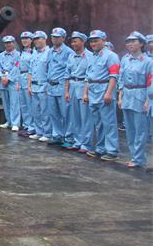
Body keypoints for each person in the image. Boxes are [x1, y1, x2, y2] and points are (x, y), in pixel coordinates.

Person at [83, 30, 120, 161]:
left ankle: (112, 150)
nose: (93, 43)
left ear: (103, 41)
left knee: (109, 123)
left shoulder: (111, 56)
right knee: (98, 123)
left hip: (104, 90)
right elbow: (89, 77)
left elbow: (114, 76)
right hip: (93, 90)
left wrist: (109, 93)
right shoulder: (92, 56)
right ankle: (100, 148)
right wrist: (85, 92)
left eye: (96, 41)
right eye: (91, 41)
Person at [117, 32, 152, 168]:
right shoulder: (125, 60)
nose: (130, 44)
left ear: (141, 44)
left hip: (140, 95)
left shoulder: (148, 61)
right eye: (128, 41)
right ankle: (134, 156)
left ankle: (139, 159)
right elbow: (121, 78)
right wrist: (120, 96)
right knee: (130, 129)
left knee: (140, 130)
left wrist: (148, 100)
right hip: (127, 95)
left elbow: (150, 82)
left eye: (133, 41)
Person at [63, 31, 93, 152]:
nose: (73, 44)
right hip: (73, 86)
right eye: (72, 41)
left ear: (83, 42)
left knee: (85, 117)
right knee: (74, 116)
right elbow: (67, 75)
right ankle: (77, 141)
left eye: (76, 41)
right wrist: (66, 91)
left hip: (83, 86)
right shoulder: (71, 56)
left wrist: (86, 92)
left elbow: (90, 76)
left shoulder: (90, 56)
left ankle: (86, 143)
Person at [45, 28, 75, 146]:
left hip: (62, 85)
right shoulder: (50, 51)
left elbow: (70, 70)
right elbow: (48, 68)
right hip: (51, 85)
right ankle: (57, 135)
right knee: (53, 113)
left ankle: (69, 137)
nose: (55, 39)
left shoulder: (68, 52)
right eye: (53, 37)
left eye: (57, 37)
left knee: (66, 113)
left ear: (63, 38)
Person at [27, 31, 51, 142]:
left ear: (45, 39)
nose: (36, 41)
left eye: (38, 38)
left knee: (45, 111)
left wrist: (48, 86)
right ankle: (39, 131)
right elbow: (30, 71)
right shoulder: (34, 53)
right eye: (35, 39)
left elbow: (51, 71)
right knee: (35, 111)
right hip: (34, 85)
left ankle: (47, 133)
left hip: (44, 85)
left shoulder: (49, 53)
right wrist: (29, 85)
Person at [0, 35, 21, 132]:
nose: (8, 45)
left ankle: (15, 123)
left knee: (14, 103)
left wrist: (8, 78)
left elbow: (17, 67)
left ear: (13, 43)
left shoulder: (18, 55)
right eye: (6, 43)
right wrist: (2, 77)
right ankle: (8, 121)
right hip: (3, 80)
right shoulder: (0, 55)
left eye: (10, 42)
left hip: (13, 81)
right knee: (6, 103)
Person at [17, 32, 35, 137]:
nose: (24, 40)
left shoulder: (33, 52)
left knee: (30, 104)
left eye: (27, 38)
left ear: (31, 40)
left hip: (28, 77)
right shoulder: (21, 52)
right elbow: (18, 67)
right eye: (23, 39)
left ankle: (32, 126)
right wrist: (18, 82)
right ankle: (26, 125)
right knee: (23, 105)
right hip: (21, 77)